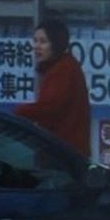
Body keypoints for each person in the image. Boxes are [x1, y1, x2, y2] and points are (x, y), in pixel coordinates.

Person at [20, 17, 92, 156]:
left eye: (43, 42)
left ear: (56, 44)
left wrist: (16, 113)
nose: (37, 46)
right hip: (66, 151)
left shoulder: (62, 70)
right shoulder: (64, 65)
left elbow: (47, 108)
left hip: (63, 153)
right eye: (35, 41)